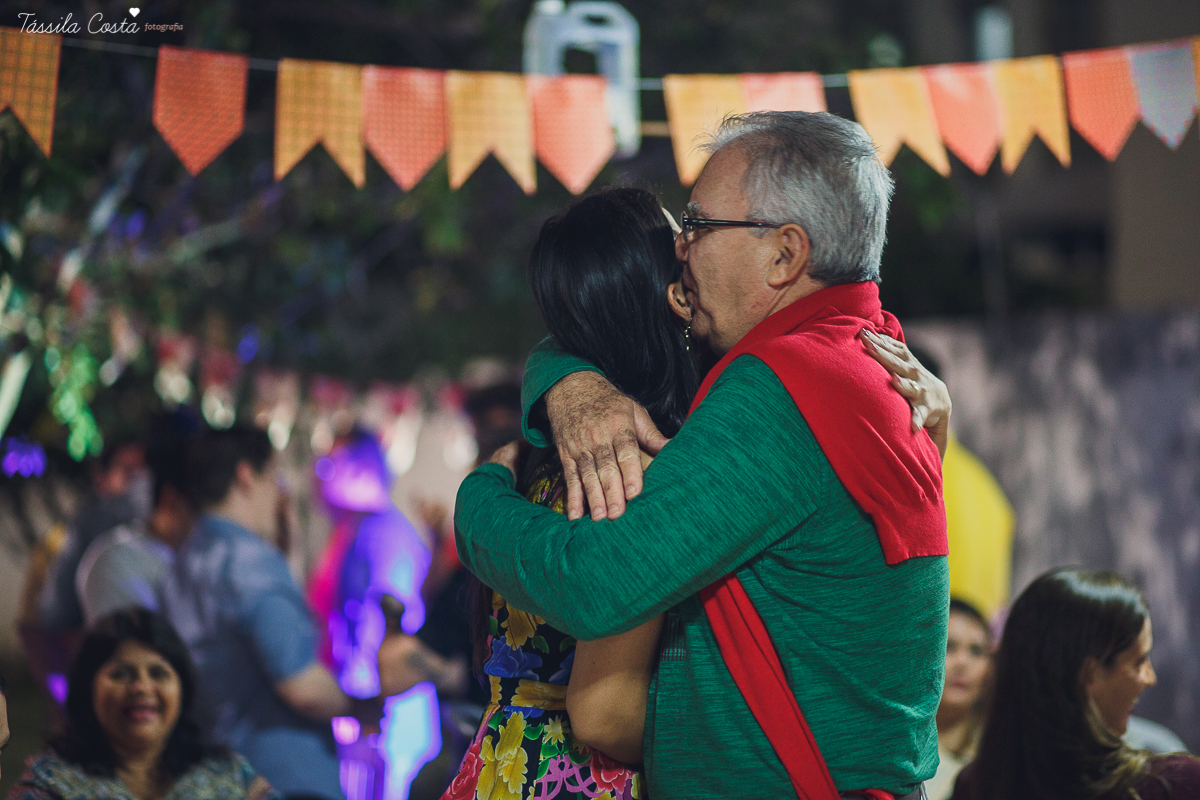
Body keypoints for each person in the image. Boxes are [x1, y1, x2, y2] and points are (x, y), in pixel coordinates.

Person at [456, 112, 954, 799]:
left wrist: (478, 499)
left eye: (698, 225)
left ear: (784, 253)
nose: (682, 251)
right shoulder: (870, 358)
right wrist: (566, 381)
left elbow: (595, 584)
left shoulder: (779, 391)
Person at [157, 426, 397, 800]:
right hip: (285, 778)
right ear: (246, 476)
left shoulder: (183, 562)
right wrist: (362, 707)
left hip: (216, 774)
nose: (278, 494)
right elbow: (302, 687)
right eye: (275, 479)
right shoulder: (250, 563)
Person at [950, 568, 1200, 800]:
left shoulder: (975, 785)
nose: (1150, 678)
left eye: (975, 650)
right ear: (1089, 674)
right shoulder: (1174, 785)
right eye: (1139, 661)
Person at [6, 608, 277, 800]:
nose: (142, 688)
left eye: (159, 673)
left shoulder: (229, 778)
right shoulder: (52, 785)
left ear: (183, 689)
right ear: (88, 688)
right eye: (121, 674)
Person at [76, 412, 199, 626]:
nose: (138, 481)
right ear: (100, 477)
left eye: (141, 471)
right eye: (128, 472)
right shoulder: (102, 534)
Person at [926, 599, 993, 800]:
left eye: (976, 651)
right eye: (949, 646)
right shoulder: (895, 752)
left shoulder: (996, 756)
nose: (962, 663)